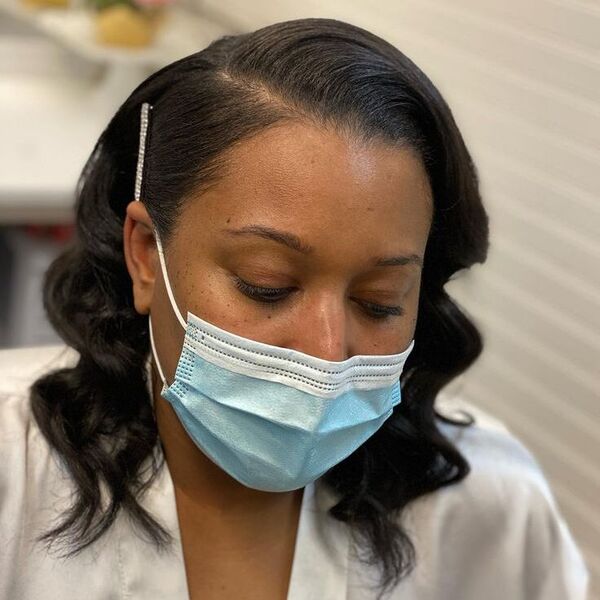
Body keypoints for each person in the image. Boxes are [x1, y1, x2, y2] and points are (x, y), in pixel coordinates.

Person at [0, 17, 589, 600]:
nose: (326, 352)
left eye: (379, 302)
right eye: (267, 285)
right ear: (148, 254)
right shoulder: (13, 479)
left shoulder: (491, 509)